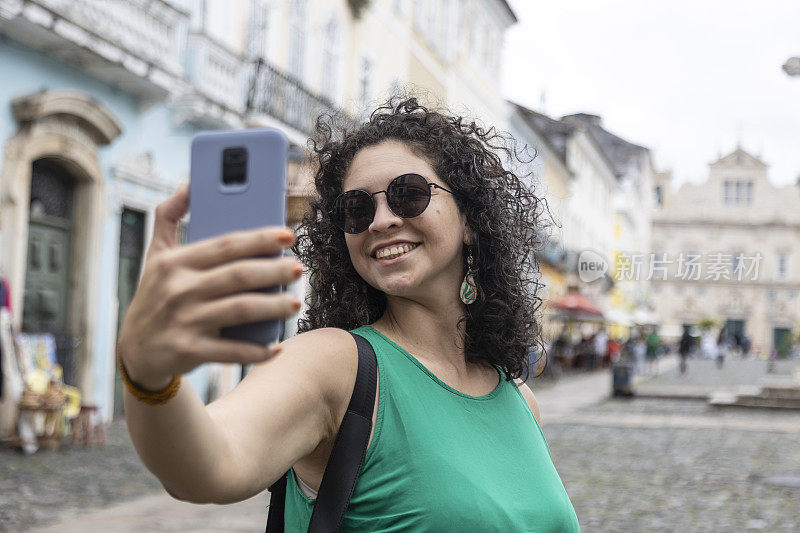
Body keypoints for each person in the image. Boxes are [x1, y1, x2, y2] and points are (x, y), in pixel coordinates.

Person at [117, 97, 580, 531]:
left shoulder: (519, 397)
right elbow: (209, 466)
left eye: (409, 194)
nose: (381, 220)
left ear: (470, 221)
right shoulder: (335, 364)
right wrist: (147, 375)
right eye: (356, 209)